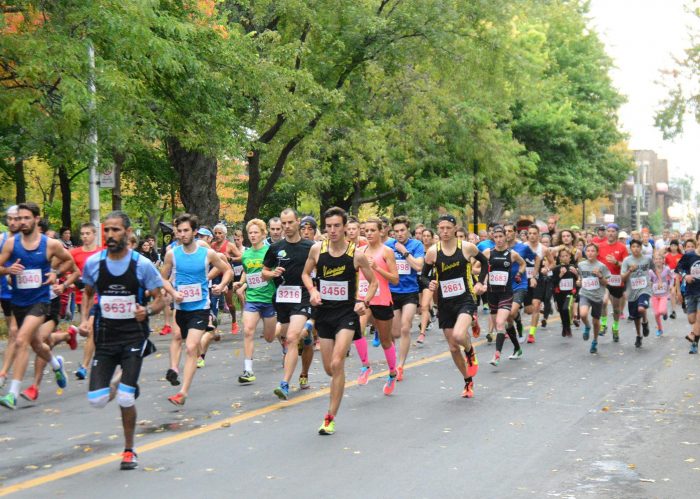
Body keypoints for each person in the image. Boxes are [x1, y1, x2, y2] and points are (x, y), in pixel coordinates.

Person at [78, 211, 164, 470]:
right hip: (105, 338)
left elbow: (161, 299)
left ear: (127, 233)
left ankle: (129, 450)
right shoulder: (94, 263)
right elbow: (88, 293)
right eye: (107, 230)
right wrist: (84, 319)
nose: (110, 235)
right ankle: (121, 380)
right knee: (97, 400)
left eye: (116, 230)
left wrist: (146, 311)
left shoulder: (142, 265)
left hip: (133, 337)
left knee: (126, 398)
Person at [302, 207, 377, 434]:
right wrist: (312, 291)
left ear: (345, 227)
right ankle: (337, 383)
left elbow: (373, 283)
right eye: (329, 226)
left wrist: (364, 302)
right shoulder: (317, 250)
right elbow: (306, 274)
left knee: (337, 362)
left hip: (346, 314)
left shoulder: (356, 254)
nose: (332, 230)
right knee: (329, 369)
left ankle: (329, 417)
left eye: (337, 226)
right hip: (324, 314)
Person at [0, 202, 74, 410]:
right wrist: (8, 270)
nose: (22, 222)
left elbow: (69, 262)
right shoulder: (11, 244)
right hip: (19, 301)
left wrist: (55, 274)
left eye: (26, 218)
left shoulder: (50, 244)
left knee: (21, 339)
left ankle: (12, 393)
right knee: (35, 344)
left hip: (41, 302)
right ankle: (56, 364)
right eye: (19, 218)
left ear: (36, 219)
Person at [160, 214, 232, 406]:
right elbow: (162, 278)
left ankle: (183, 392)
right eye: (179, 231)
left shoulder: (206, 253)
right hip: (180, 306)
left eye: (186, 231)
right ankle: (174, 369)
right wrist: (173, 293)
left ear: (194, 232)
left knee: (192, 347)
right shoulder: (172, 254)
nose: (182, 235)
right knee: (176, 338)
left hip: (200, 307)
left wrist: (221, 285)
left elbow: (228, 271)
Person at [422, 214, 487, 397]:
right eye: (441, 228)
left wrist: (480, 282)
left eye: (448, 228)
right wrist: (429, 284)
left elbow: (484, 262)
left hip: (465, 298)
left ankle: (470, 350)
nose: (444, 232)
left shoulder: (466, 248)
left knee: (459, 335)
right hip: (445, 302)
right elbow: (423, 276)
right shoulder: (433, 252)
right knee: (452, 347)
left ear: (455, 228)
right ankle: (467, 381)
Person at [263, 208, 316, 400]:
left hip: (302, 297)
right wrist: (272, 274)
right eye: (283, 224)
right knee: (291, 338)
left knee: (292, 338)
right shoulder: (275, 248)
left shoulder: (311, 247)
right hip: (282, 299)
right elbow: (264, 272)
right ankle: (306, 336)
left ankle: (285, 383)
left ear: (298, 222)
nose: (286, 227)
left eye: (289, 223)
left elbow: (321, 270)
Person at [353, 217, 399, 394]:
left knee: (386, 341)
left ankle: (392, 373)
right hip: (364, 298)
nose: (369, 233)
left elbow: (395, 279)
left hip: (382, 299)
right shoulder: (359, 251)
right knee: (358, 329)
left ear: (381, 231)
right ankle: (366, 366)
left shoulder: (387, 251)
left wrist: (377, 268)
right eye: (366, 230)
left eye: (373, 230)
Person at [233, 219, 277, 383]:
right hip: (252, 298)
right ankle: (248, 370)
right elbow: (247, 272)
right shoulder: (246, 254)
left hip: (269, 299)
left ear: (263, 234)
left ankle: (284, 340)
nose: (252, 235)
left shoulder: (270, 251)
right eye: (250, 233)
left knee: (269, 337)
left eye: (255, 232)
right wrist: (241, 283)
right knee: (248, 330)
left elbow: (273, 273)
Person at [386, 216, 424, 380]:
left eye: (402, 230)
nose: (399, 234)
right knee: (394, 333)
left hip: (410, 291)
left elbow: (418, 266)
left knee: (405, 327)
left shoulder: (416, 245)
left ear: (408, 230)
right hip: (392, 291)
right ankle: (393, 363)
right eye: (396, 231)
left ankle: (401, 365)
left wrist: (404, 251)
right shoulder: (387, 246)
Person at [482, 226, 527, 366]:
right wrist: (483, 277)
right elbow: (475, 267)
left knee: (501, 323)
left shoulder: (512, 254)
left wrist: (519, 274)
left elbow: (523, 264)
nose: (499, 240)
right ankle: (518, 348)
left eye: (501, 236)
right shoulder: (488, 253)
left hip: (506, 293)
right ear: (493, 238)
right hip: (491, 294)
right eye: (496, 237)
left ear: (505, 237)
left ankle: (496, 355)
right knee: (504, 325)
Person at [0, 206, 20, 389]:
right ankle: (55, 362)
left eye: (16, 218)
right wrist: (7, 271)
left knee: (15, 333)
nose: (13, 222)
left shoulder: (32, 240)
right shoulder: (2, 240)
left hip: (25, 295)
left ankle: (3, 374)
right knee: (35, 340)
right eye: (10, 218)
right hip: (4, 293)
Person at [577, 244, 610, 353]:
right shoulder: (581, 265)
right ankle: (587, 326)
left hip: (597, 296)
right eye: (588, 251)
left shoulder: (601, 266)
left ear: (597, 253)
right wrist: (578, 282)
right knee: (582, 314)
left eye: (593, 251)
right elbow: (580, 280)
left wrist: (600, 276)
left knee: (596, 321)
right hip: (585, 293)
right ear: (585, 253)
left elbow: (606, 283)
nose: (590, 253)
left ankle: (595, 341)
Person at [597, 224, 628, 341]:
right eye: (608, 231)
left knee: (616, 309)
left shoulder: (622, 247)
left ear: (617, 233)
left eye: (613, 231)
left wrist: (616, 262)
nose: (610, 233)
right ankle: (603, 325)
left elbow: (625, 266)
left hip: (616, 280)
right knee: (603, 301)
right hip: (603, 279)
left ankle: (615, 328)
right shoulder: (600, 246)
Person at [210, 223, 242, 334]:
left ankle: (234, 320)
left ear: (225, 234)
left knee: (230, 303)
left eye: (220, 233)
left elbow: (241, 257)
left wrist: (231, 258)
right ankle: (213, 327)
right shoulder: (211, 245)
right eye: (216, 233)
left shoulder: (230, 245)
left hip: (226, 276)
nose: (218, 235)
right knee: (213, 302)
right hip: (214, 276)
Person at [621, 239, 653, 348]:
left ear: (641, 248)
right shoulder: (627, 260)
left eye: (638, 246)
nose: (636, 249)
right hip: (632, 291)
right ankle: (639, 335)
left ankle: (645, 322)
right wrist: (630, 270)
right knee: (635, 316)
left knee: (641, 308)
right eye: (633, 246)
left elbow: (655, 268)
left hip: (644, 289)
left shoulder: (647, 259)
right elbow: (623, 278)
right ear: (630, 248)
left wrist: (659, 279)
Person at [676, 239, 700, 353]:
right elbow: (679, 268)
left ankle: (694, 343)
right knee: (692, 320)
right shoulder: (690, 256)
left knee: (699, 318)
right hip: (691, 292)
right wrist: (685, 276)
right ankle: (694, 334)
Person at [551, 248, 577, 337]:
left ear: (570, 257)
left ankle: (568, 327)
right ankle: (564, 327)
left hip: (570, 292)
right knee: (562, 311)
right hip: (559, 293)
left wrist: (576, 273)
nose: (565, 258)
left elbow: (578, 280)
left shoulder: (573, 267)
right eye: (562, 256)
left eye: (566, 256)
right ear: (559, 258)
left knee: (566, 308)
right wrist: (560, 275)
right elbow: (553, 282)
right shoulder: (556, 269)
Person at [649, 252, 673, 337]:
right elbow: (649, 281)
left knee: (662, 311)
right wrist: (649, 285)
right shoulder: (651, 271)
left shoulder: (666, 269)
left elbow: (672, 277)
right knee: (656, 314)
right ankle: (660, 329)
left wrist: (670, 285)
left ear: (663, 260)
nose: (658, 260)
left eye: (660, 259)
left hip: (664, 294)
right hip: (654, 295)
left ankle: (665, 313)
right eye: (656, 259)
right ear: (653, 261)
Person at [665, 239, 682, 319]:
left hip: (680, 278)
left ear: (677, 246)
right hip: (671, 278)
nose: (673, 247)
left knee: (679, 295)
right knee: (672, 293)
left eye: (675, 245)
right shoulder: (667, 256)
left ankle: (683, 305)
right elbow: (663, 265)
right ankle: (673, 311)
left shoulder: (681, 256)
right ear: (670, 246)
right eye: (672, 245)